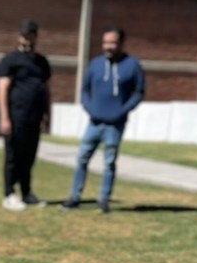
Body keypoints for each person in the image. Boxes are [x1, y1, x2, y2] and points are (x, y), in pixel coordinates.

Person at [62, 26, 145, 213]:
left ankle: (104, 200)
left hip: (115, 124)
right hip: (94, 122)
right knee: (82, 158)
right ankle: (74, 196)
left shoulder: (132, 65)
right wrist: (89, 108)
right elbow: (84, 90)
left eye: (112, 42)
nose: (108, 46)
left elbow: (139, 92)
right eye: (105, 42)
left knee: (108, 162)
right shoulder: (96, 64)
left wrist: (123, 111)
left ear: (121, 43)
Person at [0, 20, 51, 211]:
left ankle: (27, 192)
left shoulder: (42, 63)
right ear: (19, 37)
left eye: (31, 35)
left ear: (36, 37)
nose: (28, 39)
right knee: (13, 156)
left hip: (34, 118)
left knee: (29, 157)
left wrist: (47, 116)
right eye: (24, 35)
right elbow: (2, 89)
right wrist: (4, 118)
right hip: (15, 116)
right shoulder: (10, 60)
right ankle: (9, 193)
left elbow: (46, 90)